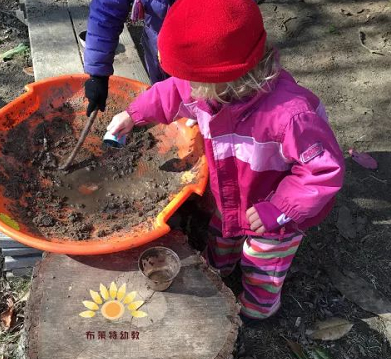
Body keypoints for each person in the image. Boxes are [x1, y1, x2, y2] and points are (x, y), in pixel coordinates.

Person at [105, 0, 345, 321]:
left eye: (193, 82)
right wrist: (132, 115)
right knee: (223, 232)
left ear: (224, 78)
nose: (188, 90)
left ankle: (259, 307)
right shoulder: (210, 88)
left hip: (274, 212)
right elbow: (171, 93)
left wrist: (281, 208)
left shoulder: (291, 116)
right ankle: (219, 268)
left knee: (263, 262)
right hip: (232, 194)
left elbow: (322, 171)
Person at [83, 0, 175, 116]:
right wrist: (98, 75)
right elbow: (106, 10)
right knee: (164, 96)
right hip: (156, 44)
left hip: (198, 68)